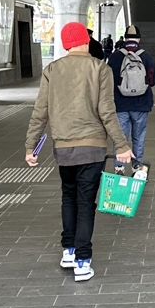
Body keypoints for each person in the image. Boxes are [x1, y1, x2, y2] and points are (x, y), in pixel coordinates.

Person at [27, 21, 132, 281]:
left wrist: (31, 146)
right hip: (92, 147)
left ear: (66, 45)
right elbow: (107, 111)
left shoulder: (52, 70)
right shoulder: (101, 68)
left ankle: (69, 250)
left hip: (64, 148)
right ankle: (83, 261)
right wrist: (121, 144)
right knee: (86, 203)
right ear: (86, 41)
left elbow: (40, 111)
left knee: (68, 197)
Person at [109, 28, 155, 168]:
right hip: (141, 104)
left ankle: (119, 167)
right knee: (139, 136)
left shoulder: (115, 57)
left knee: (120, 138)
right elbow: (153, 81)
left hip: (120, 105)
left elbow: (108, 80)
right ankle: (137, 166)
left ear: (125, 38)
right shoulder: (146, 57)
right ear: (139, 39)